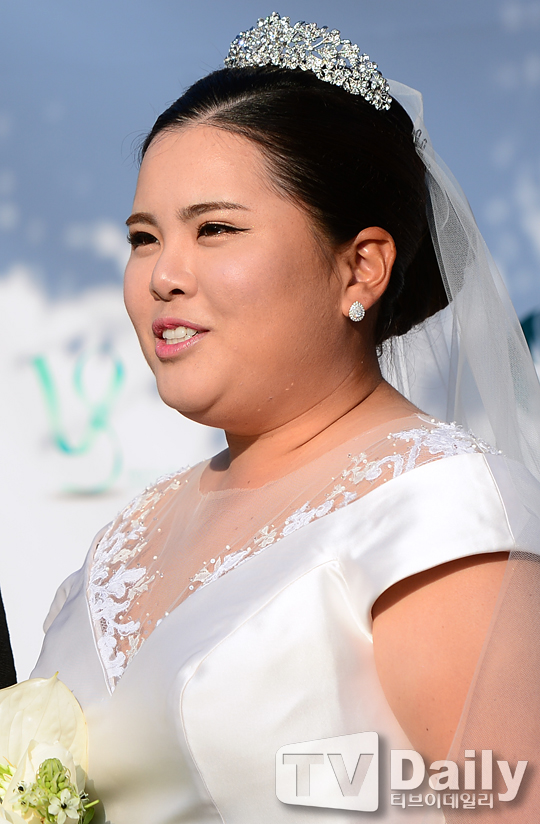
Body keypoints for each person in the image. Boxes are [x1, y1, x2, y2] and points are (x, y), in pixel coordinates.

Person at [31, 13, 540, 823]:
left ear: (361, 266)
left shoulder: (440, 513)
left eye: (215, 229)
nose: (163, 275)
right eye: (143, 237)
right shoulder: (125, 539)